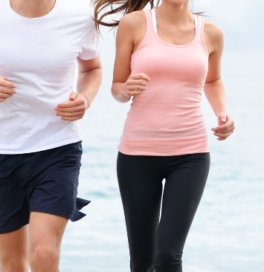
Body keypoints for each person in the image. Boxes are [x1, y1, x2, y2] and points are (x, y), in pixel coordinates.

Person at [0, 0, 103, 271]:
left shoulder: (80, 18)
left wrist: (85, 98)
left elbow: (92, 69)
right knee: (13, 265)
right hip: (0, 153)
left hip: (58, 147)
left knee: (44, 254)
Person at [93, 0, 236, 271]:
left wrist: (222, 113)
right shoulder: (134, 24)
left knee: (169, 254)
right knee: (143, 261)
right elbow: (117, 87)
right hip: (137, 155)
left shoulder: (212, 33)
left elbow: (213, 80)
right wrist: (127, 89)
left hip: (190, 155)